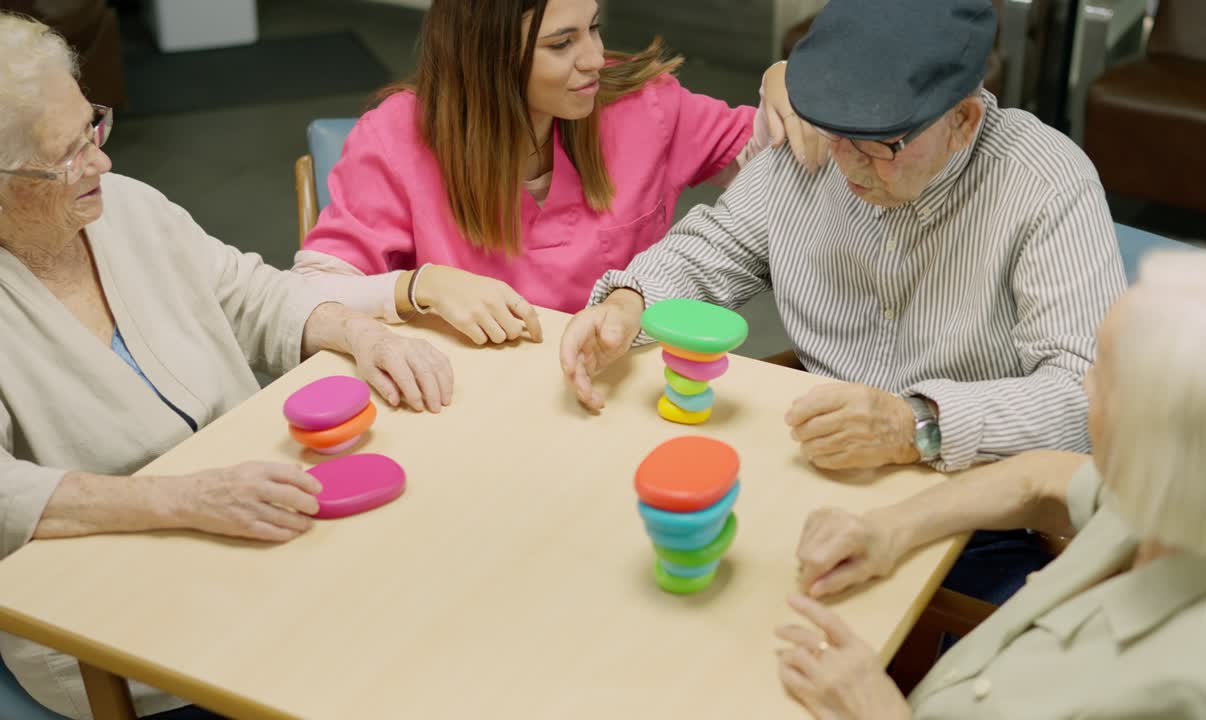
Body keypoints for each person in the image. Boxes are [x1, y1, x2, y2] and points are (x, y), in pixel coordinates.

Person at [559, 0, 1126, 604]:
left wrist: (917, 427)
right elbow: (713, 249)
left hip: (975, 508)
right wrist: (628, 301)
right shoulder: (817, 143)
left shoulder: (1044, 183)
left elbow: (1084, 398)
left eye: (881, 143)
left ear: (962, 119)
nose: (847, 162)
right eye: (836, 132)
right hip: (809, 470)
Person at [0, 14, 453, 719]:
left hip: (255, 519)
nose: (102, 163)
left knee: (424, 587)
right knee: (379, 655)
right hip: (106, 610)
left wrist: (358, 331)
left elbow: (251, 293)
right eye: (67, 153)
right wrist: (186, 499)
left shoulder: (124, 208)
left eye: (93, 126)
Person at [775, 248, 1206, 719]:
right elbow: (1036, 478)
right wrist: (889, 528)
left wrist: (876, 709)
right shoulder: (1196, 495)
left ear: (1158, 438)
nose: (1083, 386)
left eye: (1104, 375)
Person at [292, 0, 825, 345]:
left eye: (592, 28)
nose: (595, 58)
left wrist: (784, 89)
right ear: (487, 57)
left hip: (616, 392)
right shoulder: (396, 137)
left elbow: (773, 179)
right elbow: (307, 297)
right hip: (466, 402)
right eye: (561, 44)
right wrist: (420, 286)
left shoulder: (643, 105)